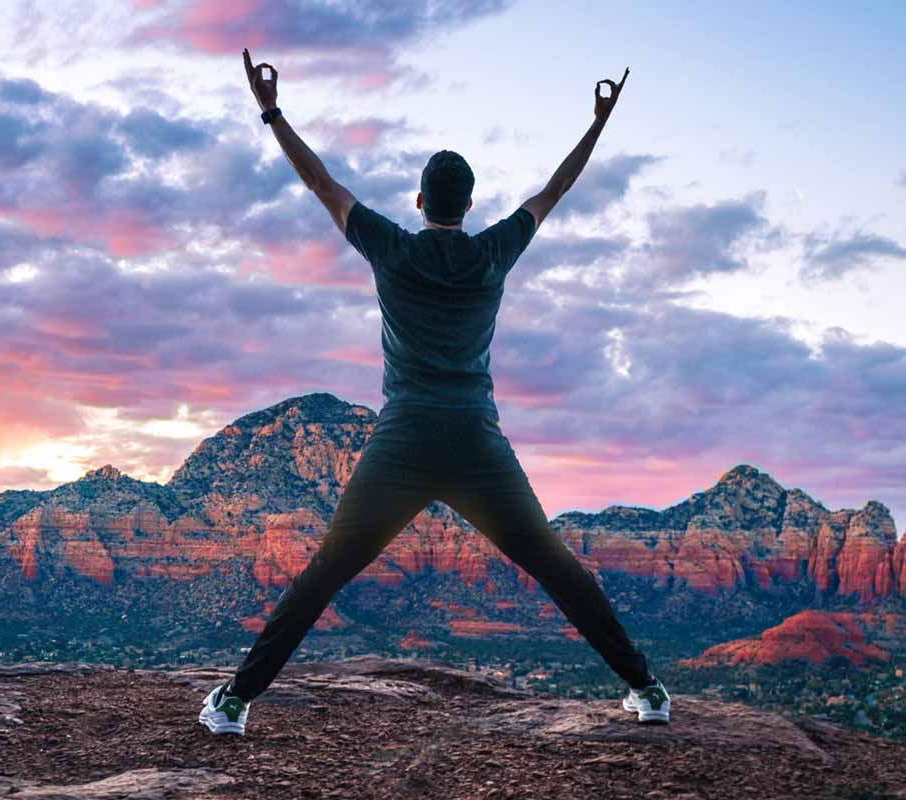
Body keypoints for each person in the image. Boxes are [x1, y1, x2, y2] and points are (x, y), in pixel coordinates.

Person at [200, 50, 669, 736]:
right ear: (469, 206)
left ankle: (235, 703)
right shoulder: (492, 252)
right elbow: (553, 192)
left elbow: (323, 185)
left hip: (405, 442)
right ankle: (647, 690)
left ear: (420, 203)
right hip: (477, 444)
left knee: (326, 573)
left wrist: (271, 111)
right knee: (556, 566)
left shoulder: (394, 248)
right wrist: (598, 124)